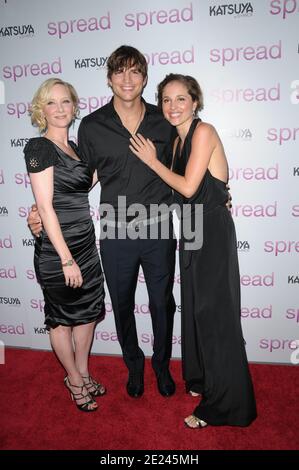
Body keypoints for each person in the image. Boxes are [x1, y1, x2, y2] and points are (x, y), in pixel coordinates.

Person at [28, 46, 177, 399]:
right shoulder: (93, 126)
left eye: (135, 72)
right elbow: (83, 177)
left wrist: (215, 192)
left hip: (158, 228)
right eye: (120, 72)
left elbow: (182, 169)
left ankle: (161, 366)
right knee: (122, 303)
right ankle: (135, 366)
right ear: (109, 78)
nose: (127, 80)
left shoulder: (163, 121)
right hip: (116, 230)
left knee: (161, 303)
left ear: (145, 78)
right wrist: (41, 209)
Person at [129, 74, 257, 428]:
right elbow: (179, 194)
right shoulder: (175, 143)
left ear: (195, 102)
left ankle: (227, 405)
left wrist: (152, 162)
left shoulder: (203, 132)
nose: (172, 106)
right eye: (166, 100)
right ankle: (203, 379)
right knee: (198, 312)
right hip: (190, 230)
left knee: (216, 316)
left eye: (180, 99)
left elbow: (187, 188)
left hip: (210, 231)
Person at [24, 78, 106, 412]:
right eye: (51, 102)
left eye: (66, 102)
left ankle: (83, 371)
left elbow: (90, 179)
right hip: (59, 250)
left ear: (74, 106)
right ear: (40, 109)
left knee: (88, 312)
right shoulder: (38, 147)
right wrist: (66, 259)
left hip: (85, 243)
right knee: (61, 318)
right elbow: (44, 208)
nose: (59, 109)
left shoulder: (76, 148)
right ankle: (73, 379)